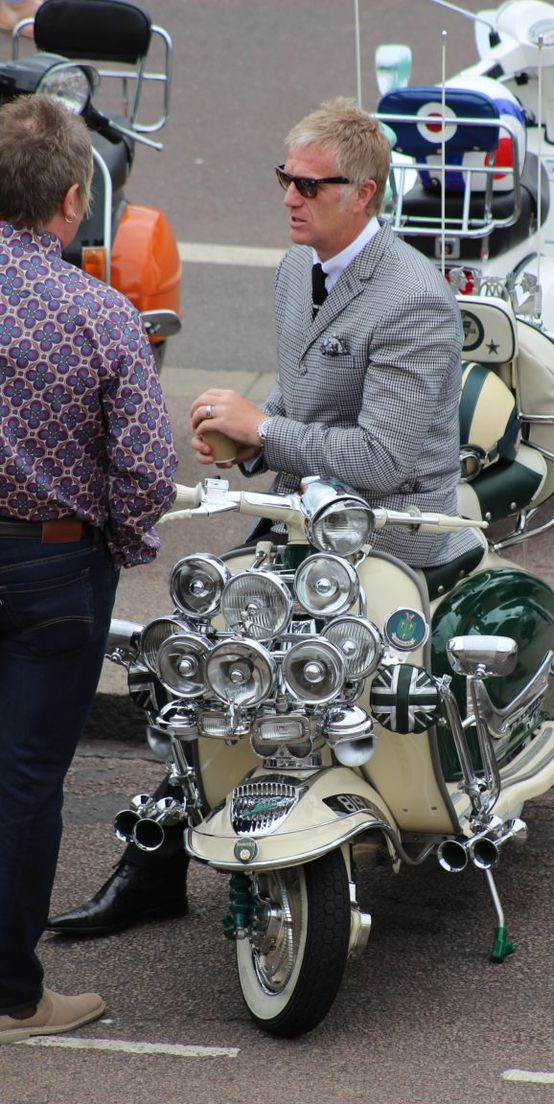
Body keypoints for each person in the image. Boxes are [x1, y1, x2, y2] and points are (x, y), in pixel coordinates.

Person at [47, 97, 478, 938]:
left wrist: (266, 431)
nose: (290, 196)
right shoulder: (295, 268)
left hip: (390, 538)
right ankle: (155, 865)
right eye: (285, 178)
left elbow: (386, 462)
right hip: (306, 521)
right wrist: (247, 443)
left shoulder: (414, 298)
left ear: (365, 194)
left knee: (304, 670)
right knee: (187, 645)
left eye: (312, 185)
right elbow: (302, 397)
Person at [0, 95, 177, 1043]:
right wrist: (121, 539)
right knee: (25, 783)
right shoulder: (101, 312)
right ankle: (13, 998)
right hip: (53, 570)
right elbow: (149, 471)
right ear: (73, 200)